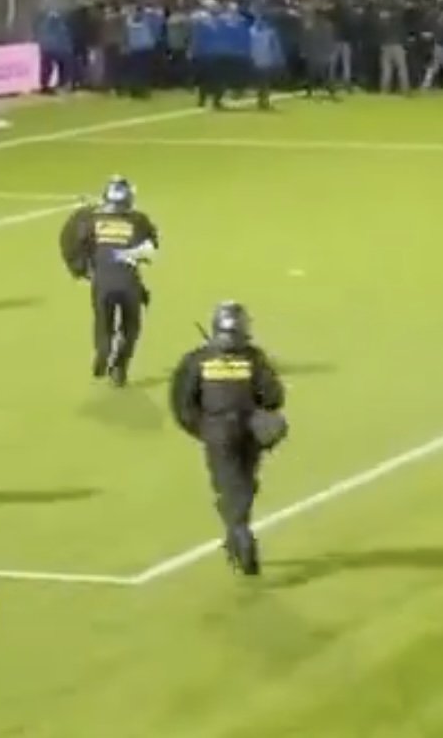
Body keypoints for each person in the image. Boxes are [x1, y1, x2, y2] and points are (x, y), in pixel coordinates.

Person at [168, 301, 288, 577]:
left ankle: (238, 535)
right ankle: (240, 536)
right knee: (243, 485)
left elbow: (183, 404)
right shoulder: (253, 358)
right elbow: (273, 396)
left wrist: (204, 430)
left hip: (216, 434)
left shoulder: (196, 361)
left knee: (229, 486)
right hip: (249, 432)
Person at [65, 176, 159, 385]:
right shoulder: (139, 220)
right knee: (130, 327)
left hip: (102, 282)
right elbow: (152, 247)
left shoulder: (91, 220)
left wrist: (81, 269)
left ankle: (103, 352)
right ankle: (119, 368)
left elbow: (76, 243)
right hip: (129, 283)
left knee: (103, 324)